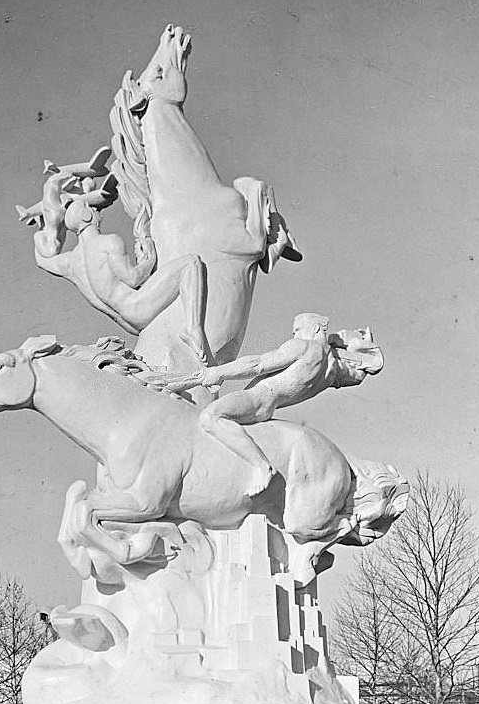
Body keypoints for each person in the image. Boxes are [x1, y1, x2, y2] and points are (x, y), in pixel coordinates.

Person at [146, 313, 383, 496]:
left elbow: (257, 364)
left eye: (297, 330)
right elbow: (362, 372)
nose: (294, 335)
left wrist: (218, 372)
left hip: (259, 398)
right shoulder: (332, 372)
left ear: (315, 328)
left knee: (211, 417)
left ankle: (261, 466)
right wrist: (356, 343)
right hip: (268, 407)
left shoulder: (303, 346)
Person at [30, 170, 209, 363]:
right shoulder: (108, 243)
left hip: (127, 322)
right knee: (191, 263)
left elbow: (43, 260)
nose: (97, 212)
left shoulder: (70, 262)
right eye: (92, 209)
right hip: (138, 308)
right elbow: (133, 278)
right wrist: (148, 259)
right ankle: (193, 329)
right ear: (86, 215)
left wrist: (51, 226)